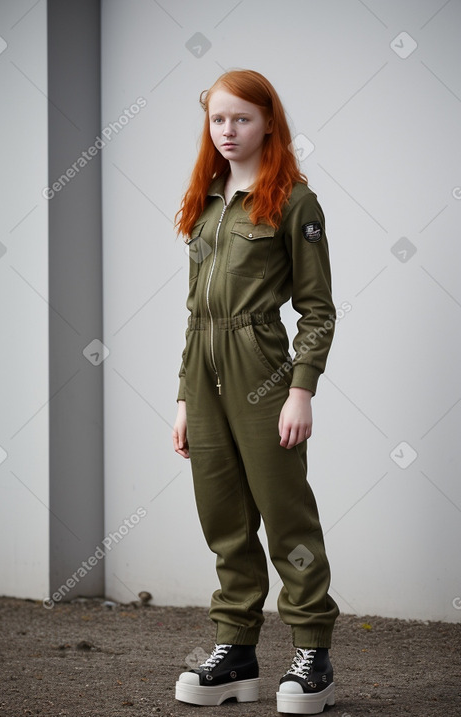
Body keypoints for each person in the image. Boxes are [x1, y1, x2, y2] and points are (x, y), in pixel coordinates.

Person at [172, 69, 339, 715]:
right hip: (205, 379)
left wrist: (301, 390)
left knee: (286, 516)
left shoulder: (294, 200)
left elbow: (318, 309)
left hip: (263, 371)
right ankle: (236, 651)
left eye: (241, 118)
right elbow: (194, 312)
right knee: (225, 521)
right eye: (218, 119)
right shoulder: (208, 199)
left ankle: (313, 652)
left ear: (269, 121)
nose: (228, 131)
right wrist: (185, 398)